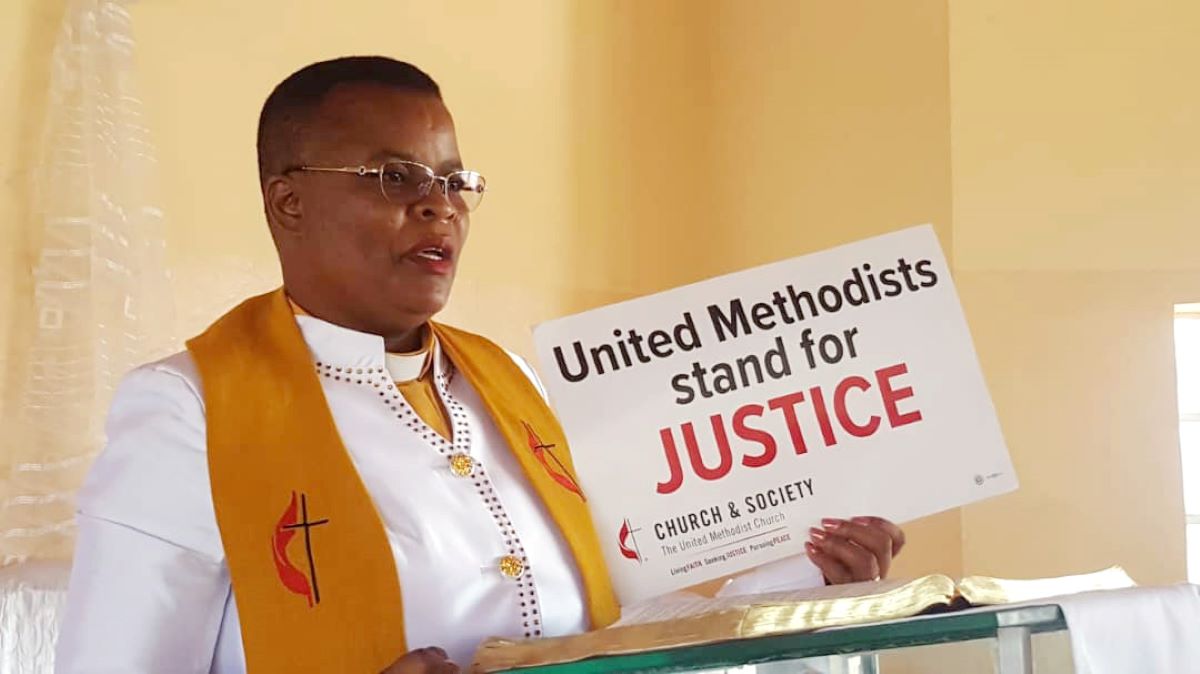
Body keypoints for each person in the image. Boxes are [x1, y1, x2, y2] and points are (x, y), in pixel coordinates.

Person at [55, 57, 906, 674]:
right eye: (395, 177)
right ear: (290, 202)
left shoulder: (510, 386)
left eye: (455, 180)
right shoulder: (192, 411)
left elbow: (607, 635)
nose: (440, 205)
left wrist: (808, 574)